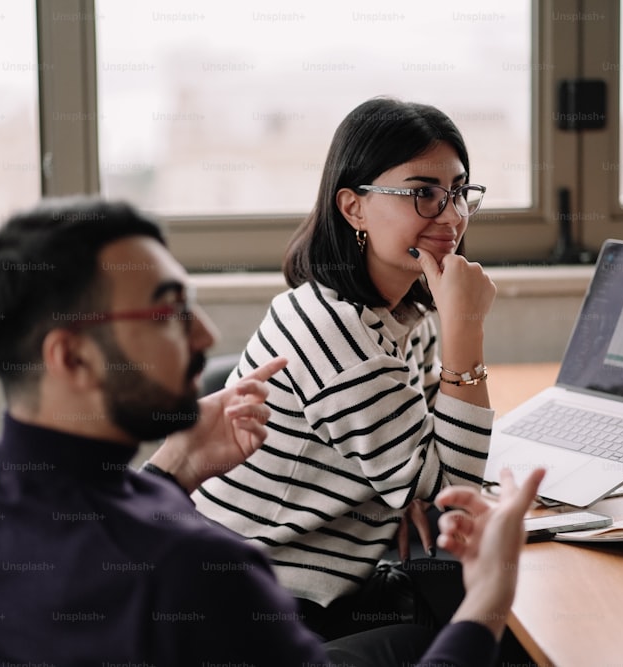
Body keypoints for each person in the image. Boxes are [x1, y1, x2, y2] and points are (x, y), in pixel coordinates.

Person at [0, 197, 544, 667]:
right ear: (71, 357)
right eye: (169, 312)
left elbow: (73, 557)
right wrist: (488, 596)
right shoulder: (200, 573)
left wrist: (174, 465)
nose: (204, 336)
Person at [193, 97, 498, 637]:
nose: (452, 215)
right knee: (502, 633)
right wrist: (466, 332)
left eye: (457, 192)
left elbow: (430, 456)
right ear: (353, 208)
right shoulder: (341, 337)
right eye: (423, 194)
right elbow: (453, 491)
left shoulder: (406, 311)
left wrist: (409, 487)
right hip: (255, 613)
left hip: (312, 589)